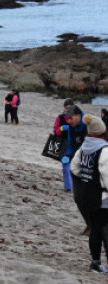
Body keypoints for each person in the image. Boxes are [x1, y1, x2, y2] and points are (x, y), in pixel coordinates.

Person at [70, 115, 108, 273]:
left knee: (95, 229)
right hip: (102, 198)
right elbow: (106, 177)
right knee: (105, 230)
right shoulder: (105, 150)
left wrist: (87, 178)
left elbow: (74, 168)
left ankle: (96, 263)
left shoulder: (84, 147)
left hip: (87, 196)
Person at [64, 105, 91, 234]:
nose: (69, 121)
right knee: (78, 198)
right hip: (78, 166)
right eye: (67, 118)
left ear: (78, 116)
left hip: (93, 166)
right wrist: (67, 157)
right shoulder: (71, 128)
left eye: (71, 118)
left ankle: (96, 226)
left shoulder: (89, 124)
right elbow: (71, 146)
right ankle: (90, 225)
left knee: (93, 198)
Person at [55, 99, 76, 191]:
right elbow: (56, 131)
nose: (68, 110)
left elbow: (84, 131)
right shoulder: (60, 118)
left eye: (69, 108)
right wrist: (62, 128)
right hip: (64, 145)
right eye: (66, 109)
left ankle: (77, 186)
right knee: (66, 167)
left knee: (77, 167)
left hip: (77, 145)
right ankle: (68, 187)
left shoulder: (79, 117)